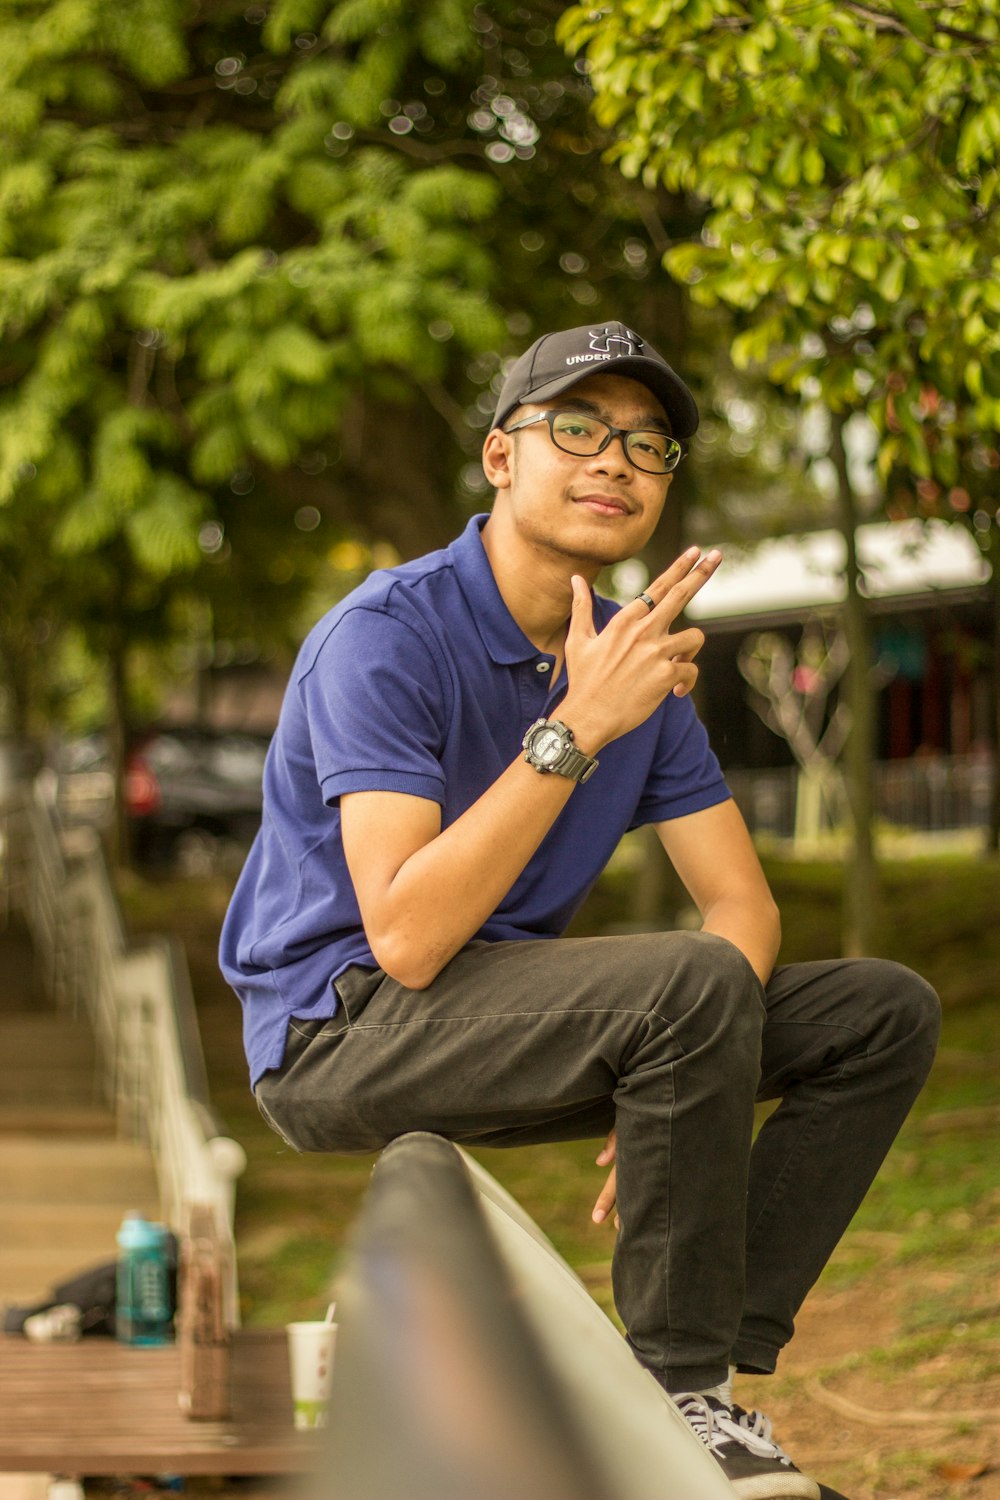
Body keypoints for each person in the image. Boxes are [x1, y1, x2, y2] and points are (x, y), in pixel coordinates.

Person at [220, 320, 940, 1500]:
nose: (615, 460)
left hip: (496, 1010)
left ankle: (704, 1367)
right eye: (577, 428)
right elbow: (402, 938)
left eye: (649, 446)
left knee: (879, 1010)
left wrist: (691, 1083)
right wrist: (575, 730)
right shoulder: (385, 638)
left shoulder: (634, 668)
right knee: (687, 986)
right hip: (338, 1031)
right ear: (501, 458)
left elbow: (741, 908)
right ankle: (677, 1391)